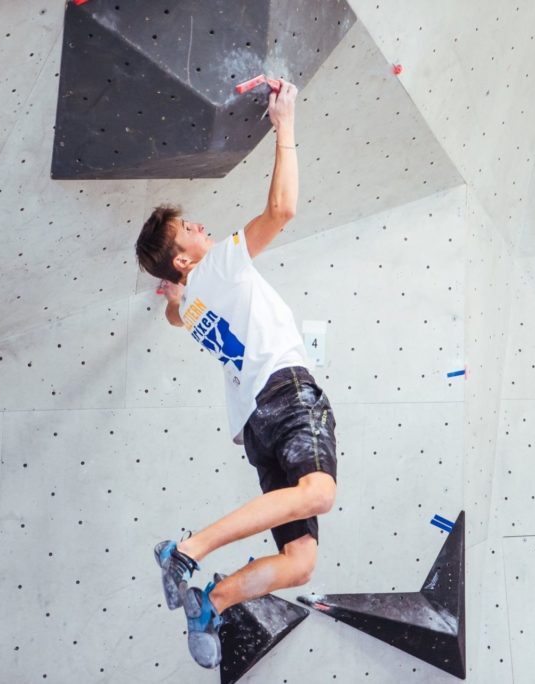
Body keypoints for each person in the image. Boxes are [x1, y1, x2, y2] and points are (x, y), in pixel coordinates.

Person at [134, 79, 338, 669]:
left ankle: (213, 602)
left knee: (300, 562)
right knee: (320, 492)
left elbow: (176, 317)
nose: (203, 228)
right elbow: (282, 210)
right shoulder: (219, 262)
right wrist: (286, 125)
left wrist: (173, 296)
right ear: (184, 256)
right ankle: (189, 549)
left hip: (255, 426)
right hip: (286, 394)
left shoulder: (191, 306)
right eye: (191, 230)